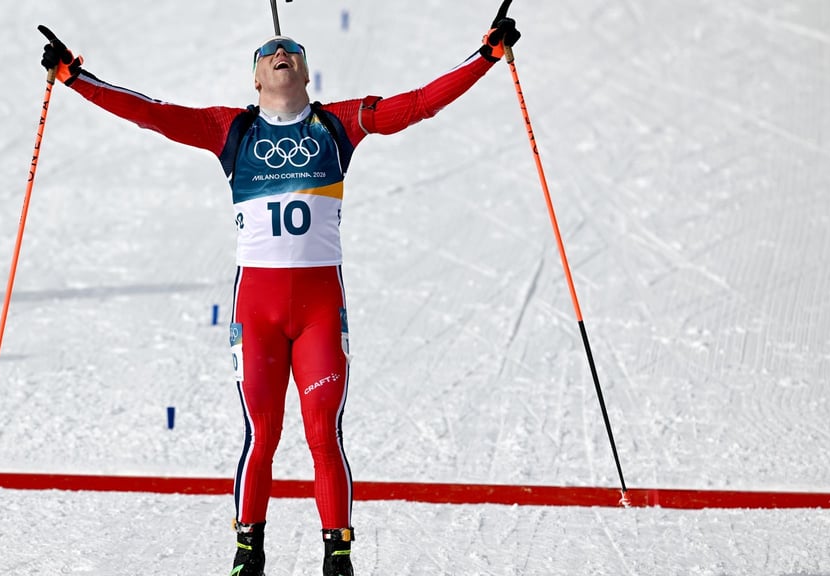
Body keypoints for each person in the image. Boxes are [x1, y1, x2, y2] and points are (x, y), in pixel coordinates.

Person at [41, 4, 519, 575]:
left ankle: (337, 553)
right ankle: (249, 549)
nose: (280, 53)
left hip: (319, 310)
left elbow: (416, 105)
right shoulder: (231, 130)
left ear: (307, 73)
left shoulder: (337, 125)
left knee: (323, 431)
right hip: (259, 311)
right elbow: (151, 113)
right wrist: (75, 78)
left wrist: (486, 57)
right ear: (257, 79)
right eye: (269, 53)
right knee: (262, 432)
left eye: (291, 50)